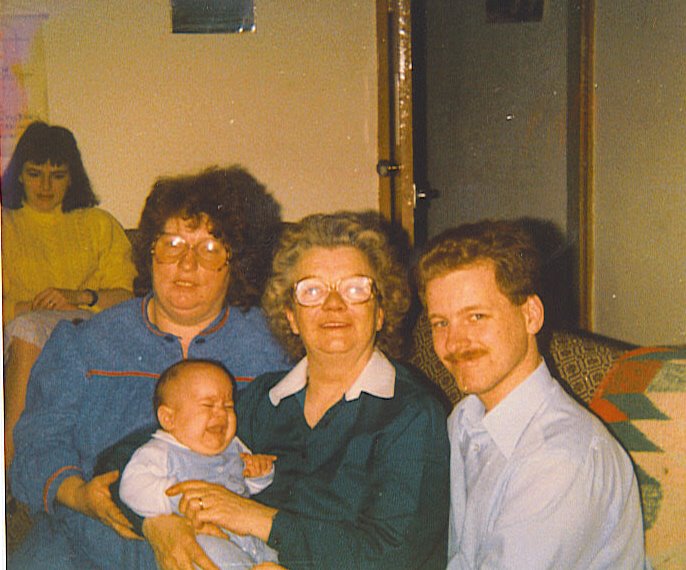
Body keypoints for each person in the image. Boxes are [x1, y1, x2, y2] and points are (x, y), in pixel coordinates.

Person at [9, 165, 290, 570]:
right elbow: (36, 445)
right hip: (90, 539)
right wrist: (78, 494)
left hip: (227, 542)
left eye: (210, 248)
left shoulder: (272, 349)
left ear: (236, 262)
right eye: (172, 243)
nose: (187, 264)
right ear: (150, 252)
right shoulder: (86, 344)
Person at [166, 211, 450, 570]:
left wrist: (258, 520)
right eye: (312, 290)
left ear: (380, 311)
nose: (333, 304)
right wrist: (159, 524)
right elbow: (156, 444)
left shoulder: (411, 413)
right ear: (291, 316)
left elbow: (393, 554)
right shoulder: (264, 400)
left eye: (355, 289)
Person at [416, 219, 647, 569]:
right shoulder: (466, 419)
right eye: (440, 323)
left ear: (531, 315)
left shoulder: (560, 460)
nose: (454, 343)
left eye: (476, 316)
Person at [2, 121, 136, 468]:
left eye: (57, 175)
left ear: (72, 177)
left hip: (82, 331)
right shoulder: (5, 224)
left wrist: (79, 297)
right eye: (34, 174)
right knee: (30, 327)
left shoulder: (99, 224)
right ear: (18, 176)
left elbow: (126, 300)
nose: (45, 186)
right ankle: (8, 469)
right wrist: (23, 307)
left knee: (37, 329)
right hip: (15, 333)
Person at [118, 359, 279, 569]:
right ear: (169, 418)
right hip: (203, 536)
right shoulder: (160, 451)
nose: (221, 413)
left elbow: (249, 486)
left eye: (228, 406)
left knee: (277, 558)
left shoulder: (234, 445)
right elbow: (131, 488)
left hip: (250, 536)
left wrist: (259, 473)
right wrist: (174, 497)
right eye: (208, 405)